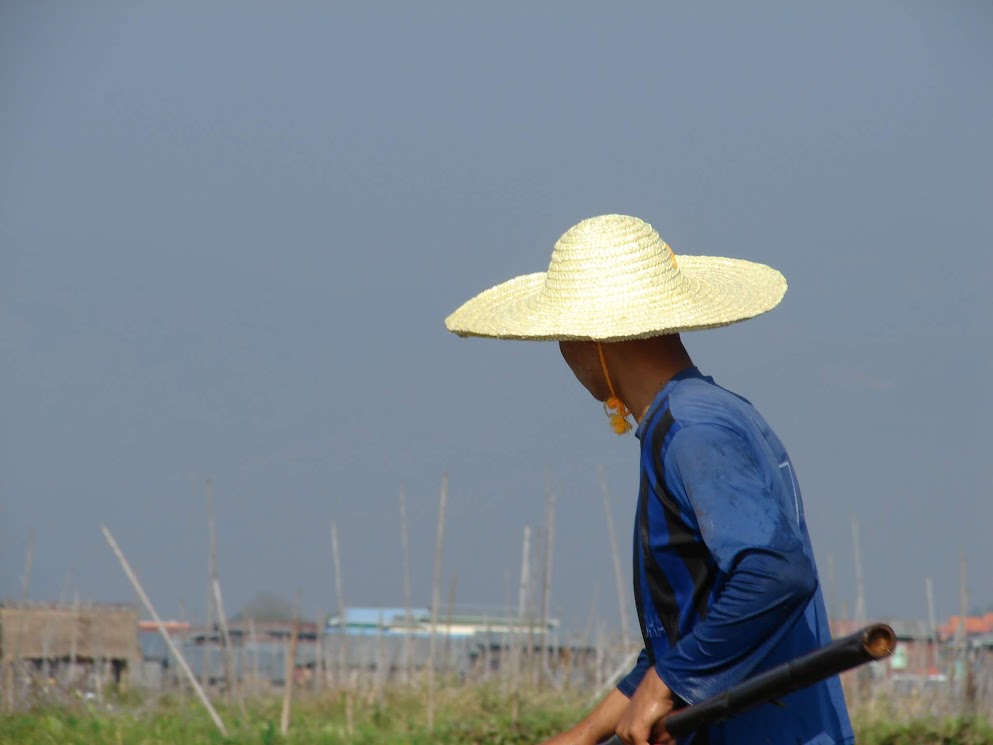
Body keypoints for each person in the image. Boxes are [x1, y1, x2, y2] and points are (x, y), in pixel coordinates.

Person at [445, 214, 853, 745]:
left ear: (589, 341)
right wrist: (586, 734)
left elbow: (776, 573)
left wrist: (673, 680)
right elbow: (688, 626)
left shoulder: (694, 431)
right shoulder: (688, 418)